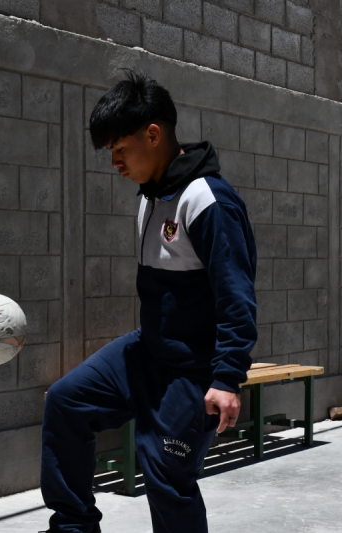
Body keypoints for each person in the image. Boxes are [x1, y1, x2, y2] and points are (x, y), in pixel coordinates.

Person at [41, 71, 258, 533]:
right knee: (65, 402)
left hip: (192, 369)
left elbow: (236, 296)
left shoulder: (207, 202)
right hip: (148, 352)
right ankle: (73, 528)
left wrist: (227, 378)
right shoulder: (150, 198)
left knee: (165, 472)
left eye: (120, 151)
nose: (115, 163)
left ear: (153, 135)